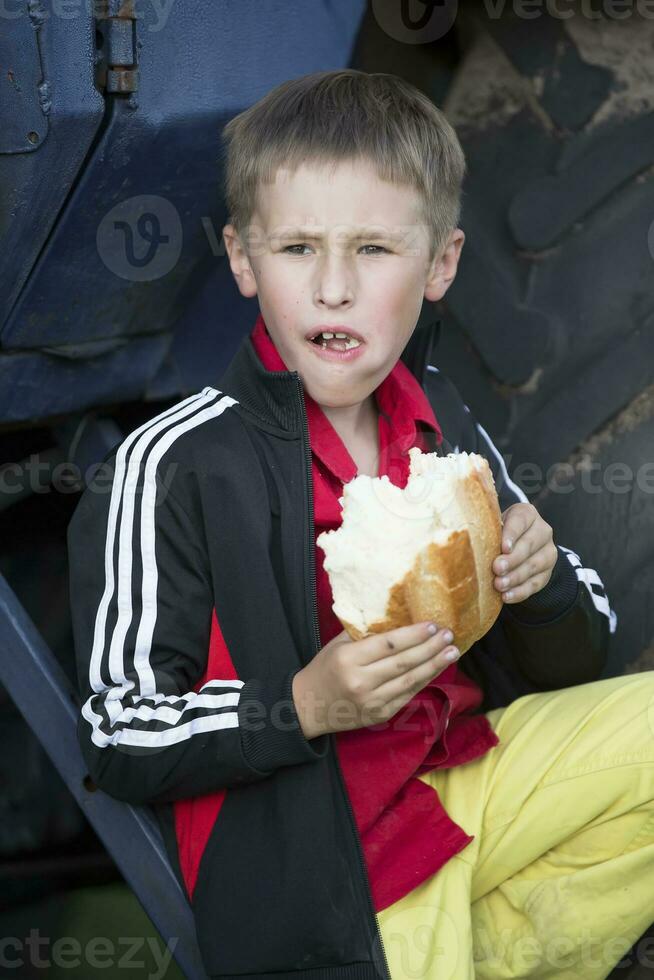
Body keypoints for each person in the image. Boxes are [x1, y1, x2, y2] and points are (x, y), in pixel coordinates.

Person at [67, 70, 653, 980]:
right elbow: (118, 730)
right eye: (298, 247)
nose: (333, 288)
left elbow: (580, 657)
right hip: (337, 873)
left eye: (375, 249)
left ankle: (491, 949)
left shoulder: (443, 420)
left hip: (471, 782)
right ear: (243, 259)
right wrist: (302, 706)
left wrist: (541, 587)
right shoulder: (174, 463)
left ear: (443, 264)